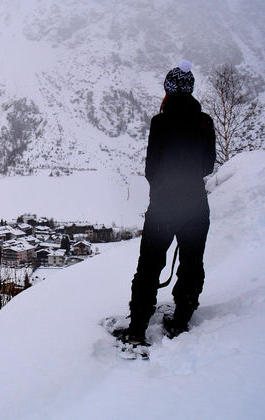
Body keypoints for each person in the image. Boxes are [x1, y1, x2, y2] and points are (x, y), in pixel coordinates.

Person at [117, 61, 216, 345]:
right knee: (191, 263)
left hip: (163, 205)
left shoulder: (160, 123)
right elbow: (207, 166)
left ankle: (137, 329)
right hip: (196, 205)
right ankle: (181, 320)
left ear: (167, 90)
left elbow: (152, 168)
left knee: (149, 266)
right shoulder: (205, 121)